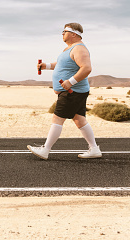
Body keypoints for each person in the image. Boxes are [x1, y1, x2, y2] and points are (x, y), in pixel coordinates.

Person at [28, 22, 102, 159]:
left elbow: (86, 68)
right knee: (79, 119)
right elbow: (61, 64)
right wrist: (46, 66)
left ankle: (45, 150)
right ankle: (94, 149)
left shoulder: (79, 49)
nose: (62, 34)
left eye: (64, 31)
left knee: (57, 118)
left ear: (74, 34)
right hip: (74, 91)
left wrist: (70, 81)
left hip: (73, 92)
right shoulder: (69, 49)